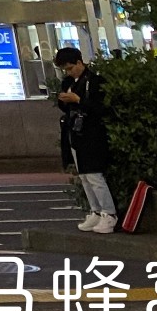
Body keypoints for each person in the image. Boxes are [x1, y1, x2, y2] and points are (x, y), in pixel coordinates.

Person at [54, 45, 116, 234]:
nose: (69, 72)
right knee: (84, 176)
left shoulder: (95, 81)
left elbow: (102, 108)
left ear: (80, 62)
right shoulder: (68, 83)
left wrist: (78, 100)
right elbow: (65, 108)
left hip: (92, 133)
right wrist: (65, 101)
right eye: (66, 70)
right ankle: (95, 211)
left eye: (71, 68)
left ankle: (109, 214)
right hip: (75, 132)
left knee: (94, 175)